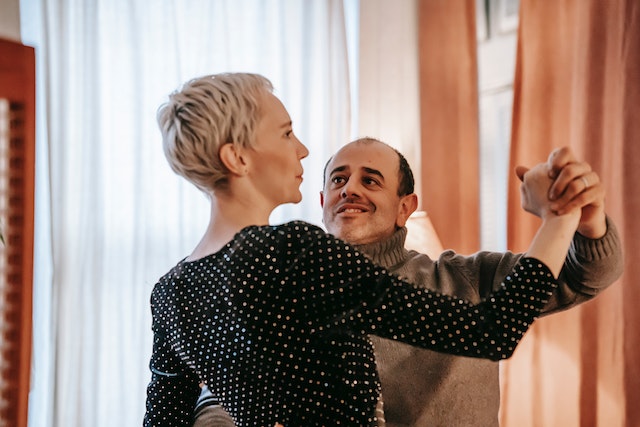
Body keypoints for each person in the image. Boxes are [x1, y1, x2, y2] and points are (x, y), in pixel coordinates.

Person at [143, 73, 582, 427]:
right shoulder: (292, 252)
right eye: (286, 133)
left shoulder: (171, 292)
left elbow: (163, 420)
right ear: (237, 158)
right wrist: (558, 217)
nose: (303, 150)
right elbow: (491, 331)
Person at [192, 137, 623, 426]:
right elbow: (222, 392)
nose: (349, 190)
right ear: (322, 202)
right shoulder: (283, 294)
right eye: (338, 180)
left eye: (370, 180)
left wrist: (587, 220)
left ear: (405, 207)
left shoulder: (469, 278)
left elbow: (587, 275)